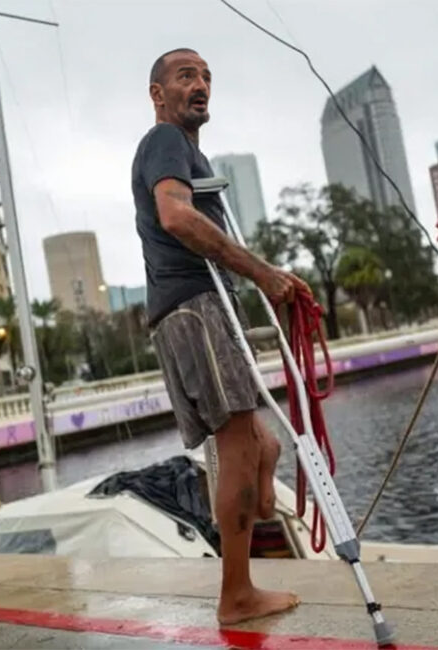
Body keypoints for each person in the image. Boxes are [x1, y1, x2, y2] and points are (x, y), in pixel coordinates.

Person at [131, 47, 307, 625]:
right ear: (158, 93)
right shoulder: (165, 143)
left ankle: (244, 553)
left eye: (207, 76)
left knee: (265, 447)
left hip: (204, 307)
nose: (201, 84)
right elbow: (176, 217)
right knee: (237, 448)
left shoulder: (188, 153)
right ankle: (236, 594)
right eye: (186, 76)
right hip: (194, 307)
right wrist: (263, 272)